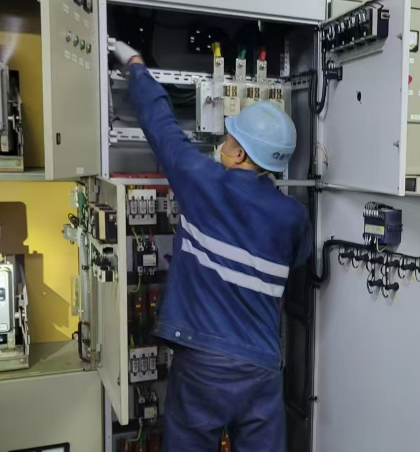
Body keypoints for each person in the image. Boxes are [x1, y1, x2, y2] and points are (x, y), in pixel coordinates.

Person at [113, 42, 312, 452]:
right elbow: (300, 259)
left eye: (228, 137)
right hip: (261, 370)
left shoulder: (202, 180)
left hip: (202, 365)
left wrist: (135, 66)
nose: (222, 142)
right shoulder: (293, 216)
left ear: (238, 153)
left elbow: (161, 127)